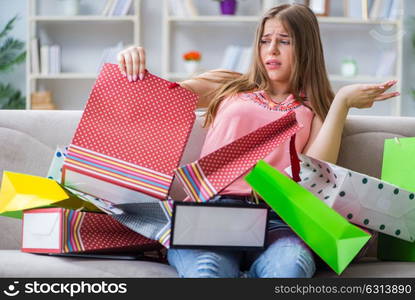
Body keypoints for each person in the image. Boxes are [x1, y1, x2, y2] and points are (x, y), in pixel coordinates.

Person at [117, 4, 399, 278]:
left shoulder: (315, 109)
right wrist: (131, 63)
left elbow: (315, 176)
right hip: (212, 213)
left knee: (291, 268)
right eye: (265, 40)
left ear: (306, 48)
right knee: (207, 272)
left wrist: (342, 103)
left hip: (280, 220)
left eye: (284, 41)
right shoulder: (229, 85)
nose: (271, 50)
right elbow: (156, 98)